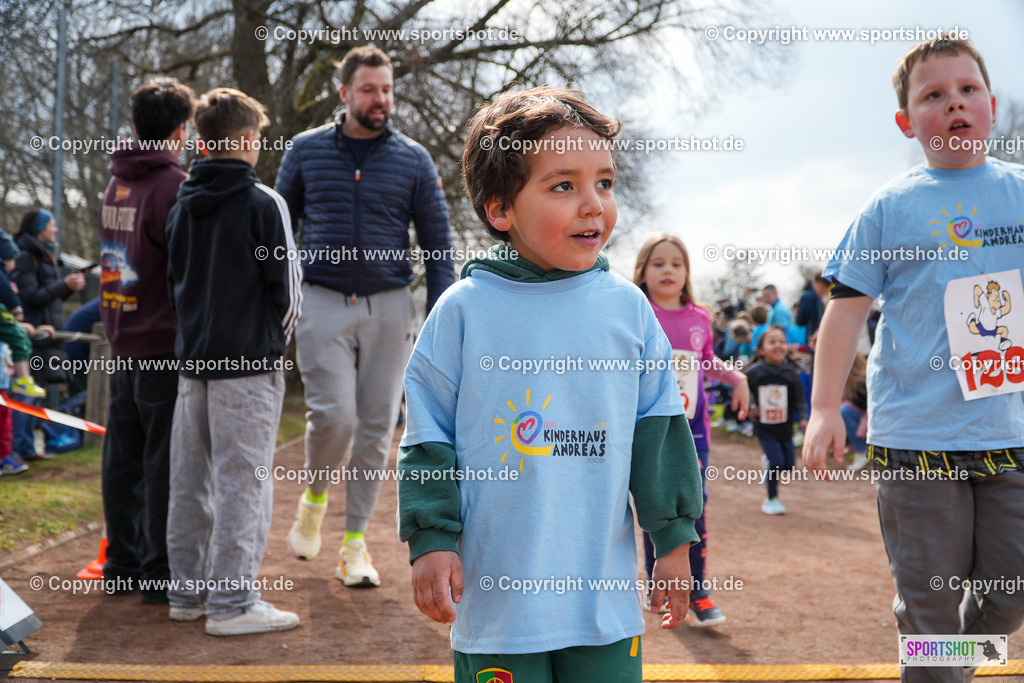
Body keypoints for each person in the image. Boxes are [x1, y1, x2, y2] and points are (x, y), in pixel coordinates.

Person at [397, 86, 702, 683]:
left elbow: (660, 433)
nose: (594, 205)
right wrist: (430, 537)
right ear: (499, 209)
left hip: (602, 607)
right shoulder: (463, 310)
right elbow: (426, 436)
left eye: (605, 183)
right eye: (564, 185)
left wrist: (672, 543)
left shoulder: (629, 310)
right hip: (498, 604)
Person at [803, 35, 1024, 683]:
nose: (954, 103)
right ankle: (936, 663)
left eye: (967, 90)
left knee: (1010, 595)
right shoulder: (889, 208)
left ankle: (946, 661)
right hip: (915, 440)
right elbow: (844, 311)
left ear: (991, 103)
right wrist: (822, 408)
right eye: (933, 95)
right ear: (906, 121)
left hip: (1010, 435)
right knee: (931, 606)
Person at [276, 44, 456, 585]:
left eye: (387, 90)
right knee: (335, 416)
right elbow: (279, 228)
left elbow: (437, 242)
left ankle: (355, 545)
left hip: (391, 304)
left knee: (379, 428)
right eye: (370, 90)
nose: (381, 100)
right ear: (344, 94)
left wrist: (439, 319)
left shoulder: (414, 158)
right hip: (323, 300)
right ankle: (313, 498)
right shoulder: (306, 151)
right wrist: (278, 299)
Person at [165, 87, 303, 635]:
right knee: (243, 483)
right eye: (259, 140)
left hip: (191, 366)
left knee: (190, 481)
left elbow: (174, 286)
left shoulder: (182, 203)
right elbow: (289, 295)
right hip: (247, 366)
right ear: (246, 140)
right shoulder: (263, 202)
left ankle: (185, 592)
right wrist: (273, 348)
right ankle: (231, 604)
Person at [98, 78, 195, 604]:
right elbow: (183, 272)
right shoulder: (172, 187)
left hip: (121, 339)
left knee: (122, 455)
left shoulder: (117, 181)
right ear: (179, 131)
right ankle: (159, 571)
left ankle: (122, 562)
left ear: (137, 127)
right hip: (160, 342)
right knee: (163, 460)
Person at [632, 233, 749, 626]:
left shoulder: (700, 317)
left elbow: (707, 361)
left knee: (694, 511)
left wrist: (737, 378)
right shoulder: (636, 312)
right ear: (643, 271)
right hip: (645, 432)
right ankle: (659, 584)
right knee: (655, 508)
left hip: (694, 434)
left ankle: (697, 590)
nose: (668, 270)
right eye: (658, 263)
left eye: (676, 264)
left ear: (687, 272)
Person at [11, 209, 85, 460]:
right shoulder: (25, 256)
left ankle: (26, 448)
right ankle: (18, 448)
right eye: (52, 225)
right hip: (31, 337)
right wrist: (64, 285)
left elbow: (46, 299)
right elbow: (29, 297)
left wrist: (68, 287)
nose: (55, 229)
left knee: (36, 392)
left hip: (45, 336)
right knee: (26, 393)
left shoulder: (44, 256)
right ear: (39, 228)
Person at [745, 325, 805, 515]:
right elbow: (741, 390)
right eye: (772, 342)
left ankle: (769, 463)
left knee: (788, 465)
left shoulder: (790, 374)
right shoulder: (754, 372)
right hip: (764, 427)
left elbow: (799, 399)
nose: (778, 345)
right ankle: (771, 499)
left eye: (782, 342)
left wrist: (803, 418)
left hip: (785, 427)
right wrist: (749, 407)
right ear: (761, 350)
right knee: (777, 462)